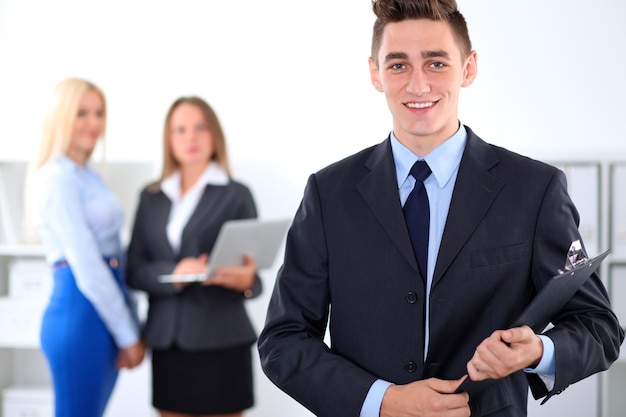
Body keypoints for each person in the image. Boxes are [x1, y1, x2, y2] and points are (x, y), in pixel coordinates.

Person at [257, 1, 624, 416]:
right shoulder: (328, 193)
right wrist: (383, 401)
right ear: (375, 73)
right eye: (398, 65)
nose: (417, 85)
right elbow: (283, 340)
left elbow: (599, 328)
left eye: (435, 63)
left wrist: (538, 350)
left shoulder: (534, 190)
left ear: (468, 68)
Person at [126, 96, 261, 417]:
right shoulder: (151, 197)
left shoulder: (236, 194)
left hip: (221, 340)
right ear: (168, 140)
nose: (191, 137)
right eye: (180, 130)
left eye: (200, 127)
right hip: (168, 342)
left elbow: (254, 279)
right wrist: (176, 273)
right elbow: (134, 271)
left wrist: (246, 282)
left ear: (214, 135)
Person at [25, 77, 145, 417]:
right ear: (61, 117)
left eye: (99, 113)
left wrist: (128, 323)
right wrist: (128, 334)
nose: (94, 123)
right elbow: (88, 265)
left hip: (100, 311)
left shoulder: (87, 175)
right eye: (82, 113)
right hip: (79, 310)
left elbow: (113, 255)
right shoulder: (57, 178)